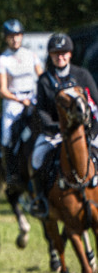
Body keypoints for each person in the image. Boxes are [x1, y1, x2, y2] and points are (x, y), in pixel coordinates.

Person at [28, 32, 98, 218]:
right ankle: (41, 200)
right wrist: (53, 127)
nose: (60, 56)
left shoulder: (82, 75)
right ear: (50, 55)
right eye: (56, 53)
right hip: (55, 131)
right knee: (37, 157)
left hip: (85, 130)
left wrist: (92, 129)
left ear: (70, 54)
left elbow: (95, 104)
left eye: (64, 52)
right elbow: (41, 109)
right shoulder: (44, 80)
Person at [0, 19, 43, 187]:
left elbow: (42, 77)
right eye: (11, 36)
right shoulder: (3, 60)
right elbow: (2, 90)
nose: (15, 39)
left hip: (33, 97)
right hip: (14, 101)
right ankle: (11, 172)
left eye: (18, 35)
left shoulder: (31, 56)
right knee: (8, 134)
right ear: (6, 38)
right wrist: (20, 99)